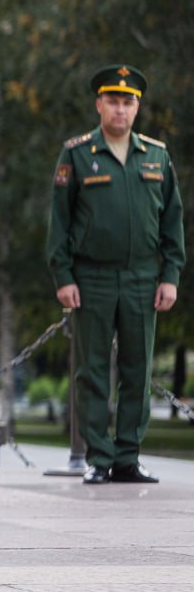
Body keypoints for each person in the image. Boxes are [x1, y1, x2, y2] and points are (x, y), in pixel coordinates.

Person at [46, 65, 184, 485]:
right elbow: (60, 221)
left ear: (137, 107)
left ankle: (127, 456)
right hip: (92, 278)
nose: (120, 109)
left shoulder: (156, 156)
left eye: (128, 102)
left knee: (137, 368)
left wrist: (171, 274)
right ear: (99, 104)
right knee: (90, 369)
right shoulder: (77, 154)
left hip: (144, 277)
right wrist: (63, 276)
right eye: (112, 100)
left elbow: (172, 221)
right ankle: (98, 458)